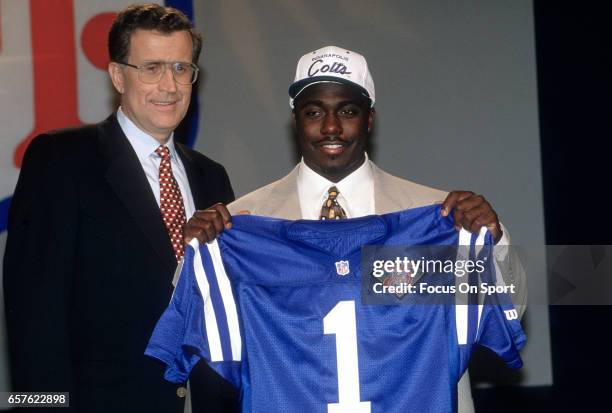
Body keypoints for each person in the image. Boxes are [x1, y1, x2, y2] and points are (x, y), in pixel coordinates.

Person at [184, 45, 526, 413]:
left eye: (347, 111)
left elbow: (511, 308)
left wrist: (494, 241)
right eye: (314, 112)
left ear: (370, 119)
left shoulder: (438, 217)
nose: (331, 127)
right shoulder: (241, 226)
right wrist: (195, 253)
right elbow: (198, 338)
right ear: (295, 119)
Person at [3, 4, 237, 412]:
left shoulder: (211, 177)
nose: (170, 85)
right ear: (117, 75)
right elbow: (31, 316)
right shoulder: (61, 161)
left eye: (182, 68)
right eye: (152, 68)